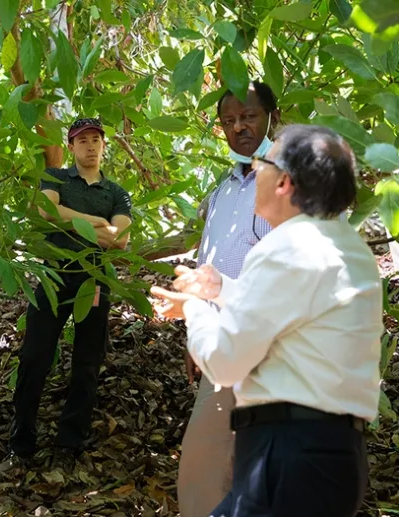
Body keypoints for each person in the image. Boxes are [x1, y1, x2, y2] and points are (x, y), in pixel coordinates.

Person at [152, 124, 382, 517]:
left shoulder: (285, 245)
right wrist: (219, 288)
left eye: (264, 162)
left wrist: (194, 310)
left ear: (285, 183)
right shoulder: (347, 249)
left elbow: (226, 360)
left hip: (287, 451)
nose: (255, 170)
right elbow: (291, 310)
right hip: (336, 454)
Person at [177, 80, 280, 517]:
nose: (239, 127)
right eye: (229, 120)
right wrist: (194, 337)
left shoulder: (287, 182)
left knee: (227, 465)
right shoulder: (223, 191)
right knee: (216, 467)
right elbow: (208, 264)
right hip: (222, 344)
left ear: (273, 117)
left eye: (249, 116)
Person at [9, 118, 132, 469]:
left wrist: (69, 219)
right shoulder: (56, 178)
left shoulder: (116, 192)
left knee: (87, 364)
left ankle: (70, 439)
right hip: (53, 278)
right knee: (34, 358)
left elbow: (120, 239)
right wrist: (94, 222)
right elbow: (43, 211)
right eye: (83, 141)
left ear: (103, 145)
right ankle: (22, 437)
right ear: (72, 146)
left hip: (93, 282)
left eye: (96, 139)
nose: (90, 146)